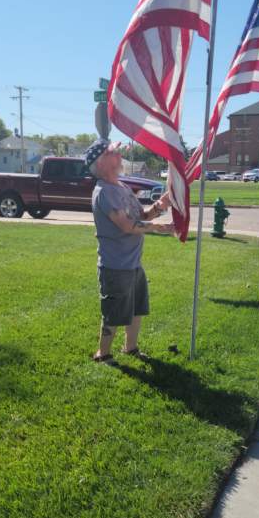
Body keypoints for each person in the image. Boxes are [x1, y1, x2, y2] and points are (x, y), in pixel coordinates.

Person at [85, 138, 174, 364]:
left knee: (136, 308)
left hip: (133, 264)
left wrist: (161, 204)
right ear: (102, 163)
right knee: (113, 313)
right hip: (115, 267)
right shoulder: (104, 192)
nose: (119, 155)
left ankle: (130, 348)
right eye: (113, 153)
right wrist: (160, 228)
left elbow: (140, 217)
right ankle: (103, 354)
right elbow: (127, 226)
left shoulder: (121, 187)